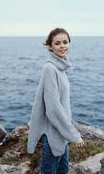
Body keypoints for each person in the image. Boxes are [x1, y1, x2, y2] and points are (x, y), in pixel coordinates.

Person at [27, 27, 84, 173]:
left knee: (62, 171)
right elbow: (53, 108)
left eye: (65, 42)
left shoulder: (61, 68)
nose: (62, 46)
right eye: (57, 43)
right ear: (50, 46)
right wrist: (74, 135)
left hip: (61, 133)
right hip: (52, 134)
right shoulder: (50, 69)